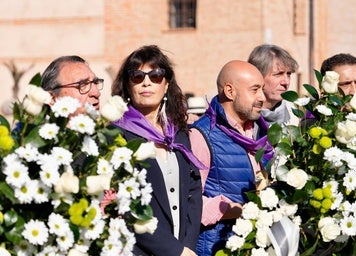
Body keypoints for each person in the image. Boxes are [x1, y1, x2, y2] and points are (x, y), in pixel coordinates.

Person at [111, 45, 203, 256]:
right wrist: (173, 250)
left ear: (166, 83)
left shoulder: (177, 132)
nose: (146, 82)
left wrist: (188, 246)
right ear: (127, 84)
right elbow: (125, 204)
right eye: (137, 76)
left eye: (155, 75)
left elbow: (193, 191)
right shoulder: (117, 135)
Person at [189, 60, 274, 255]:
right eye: (255, 90)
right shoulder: (202, 136)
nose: (262, 96)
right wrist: (232, 209)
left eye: (262, 89)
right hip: (215, 247)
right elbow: (189, 202)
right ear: (230, 91)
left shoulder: (260, 133)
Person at [248, 44, 299, 125]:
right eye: (278, 74)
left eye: (288, 74)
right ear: (258, 76)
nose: (286, 82)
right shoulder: (243, 114)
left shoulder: (293, 112)